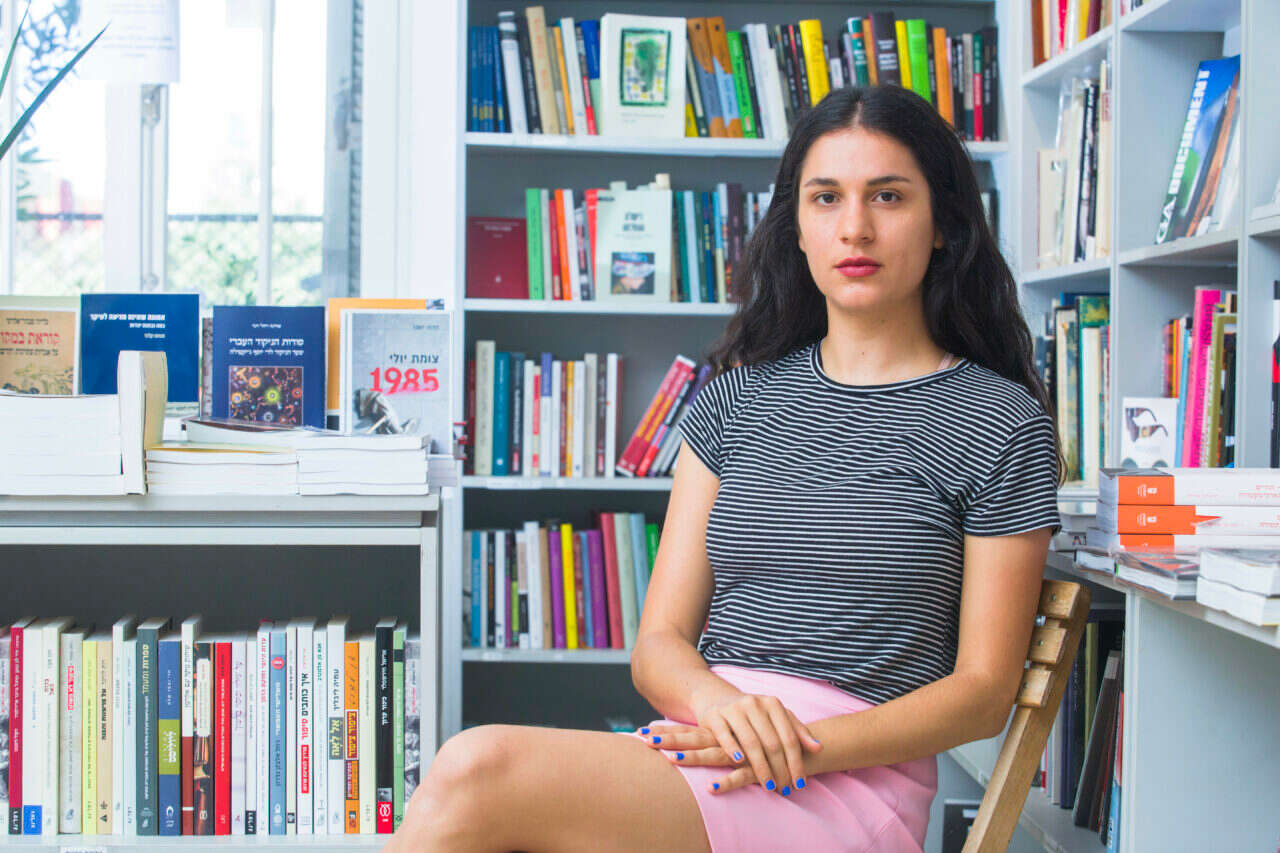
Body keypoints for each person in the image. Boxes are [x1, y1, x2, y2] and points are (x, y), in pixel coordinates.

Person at [389, 84, 1063, 853]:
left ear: (942, 223)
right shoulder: (733, 402)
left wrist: (796, 744)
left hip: (850, 780)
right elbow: (659, 643)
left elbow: (982, 692)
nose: (855, 226)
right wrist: (720, 707)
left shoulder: (999, 421)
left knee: (476, 769)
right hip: (707, 743)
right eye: (826, 198)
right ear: (796, 228)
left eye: (888, 196)